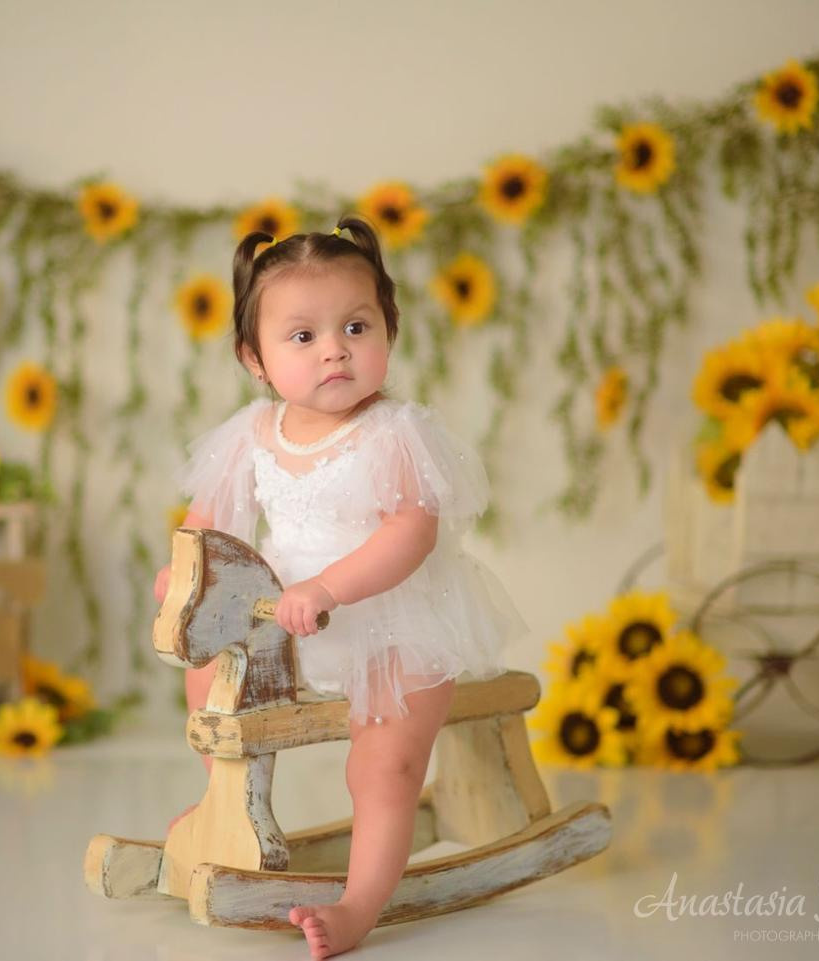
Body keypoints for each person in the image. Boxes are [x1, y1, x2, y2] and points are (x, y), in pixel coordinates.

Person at [152, 214, 529, 958]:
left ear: (389, 329)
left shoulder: (396, 433)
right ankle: (222, 801)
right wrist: (182, 572)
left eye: (357, 327)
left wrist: (328, 587)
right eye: (303, 336)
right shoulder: (252, 434)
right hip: (283, 618)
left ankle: (358, 903)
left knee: (382, 763)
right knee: (209, 684)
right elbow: (205, 522)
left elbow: (408, 536)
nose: (334, 349)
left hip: (393, 623)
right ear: (253, 357)